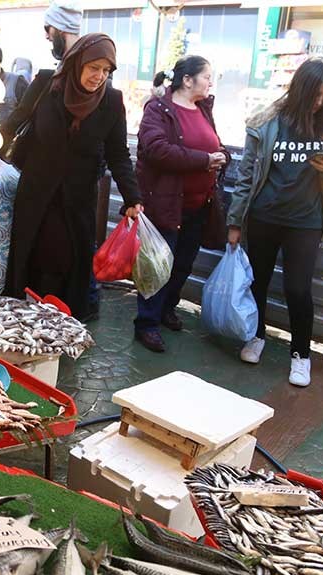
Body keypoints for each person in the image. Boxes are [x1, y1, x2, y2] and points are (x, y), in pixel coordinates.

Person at [0, 33, 142, 321]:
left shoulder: (111, 101)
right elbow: (16, 121)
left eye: (106, 70)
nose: (99, 76)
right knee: (32, 258)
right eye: (94, 68)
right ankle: (23, 320)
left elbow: (118, 153)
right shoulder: (46, 84)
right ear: (77, 63)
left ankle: (56, 326)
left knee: (63, 263)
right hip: (36, 194)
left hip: (77, 202)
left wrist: (132, 197)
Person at [227, 57, 323, 387]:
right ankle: (255, 337)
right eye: (315, 94)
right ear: (300, 88)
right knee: (258, 283)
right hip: (265, 215)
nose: (320, 102)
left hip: (307, 220)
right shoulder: (268, 121)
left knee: (298, 289)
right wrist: (235, 221)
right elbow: (246, 174)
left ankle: (301, 354)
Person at [132, 56, 229, 353]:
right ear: (187, 80)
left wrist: (221, 154)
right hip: (166, 203)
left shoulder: (202, 109)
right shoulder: (159, 109)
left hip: (199, 204)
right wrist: (204, 161)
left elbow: (211, 142)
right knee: (158, 265)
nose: (211, 82)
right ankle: (146, 323)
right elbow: (156, 149)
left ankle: (166, 309)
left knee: (184, 263)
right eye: (207, 76)